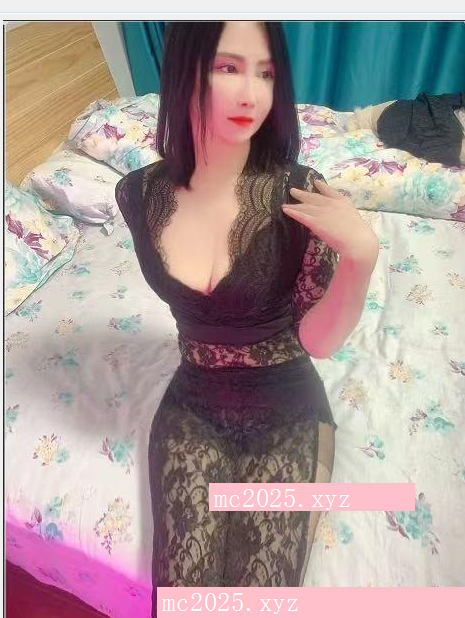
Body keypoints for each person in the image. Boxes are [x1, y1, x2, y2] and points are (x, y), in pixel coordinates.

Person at [115, 20, 378, 616]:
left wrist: (361, 259)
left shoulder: (298, 192)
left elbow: (318, 340)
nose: (251, 94)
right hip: (194, 402)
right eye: (228, 67)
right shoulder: (136, 194)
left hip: (286, 405)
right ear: (184, 71)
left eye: (266, 73)